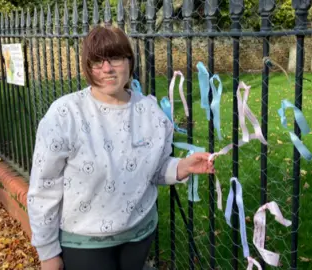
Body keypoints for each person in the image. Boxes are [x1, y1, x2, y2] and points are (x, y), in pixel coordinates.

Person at [26, 25, 215, 270]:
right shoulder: (65, 115)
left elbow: (154, 168)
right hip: (85, 243)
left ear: (129, 61)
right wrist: (47, 252)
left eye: (115, 57)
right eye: (97, 61)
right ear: (87, 66)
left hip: (139, 235)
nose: (107, 68)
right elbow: (44, 187)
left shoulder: (149, 112)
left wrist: (181, 167)